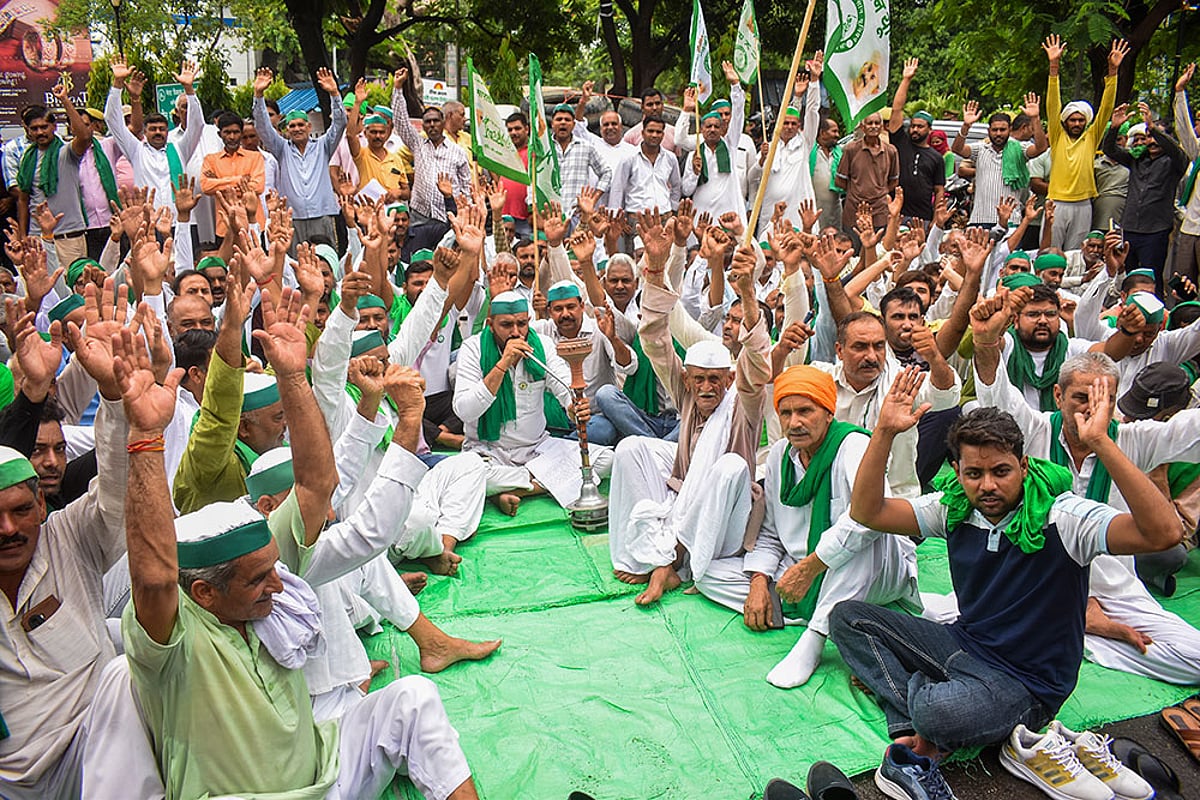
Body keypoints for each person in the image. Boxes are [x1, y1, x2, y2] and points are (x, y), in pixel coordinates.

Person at [114, 325, 482, 800]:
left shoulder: (259, 563)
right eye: (260, 579)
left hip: (325, 769)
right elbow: (153, 579)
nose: (281, 583)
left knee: (413, 699)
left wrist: (293, 377)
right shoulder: (176, 642)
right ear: (204, 593)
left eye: (276, 567)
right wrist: (145, 438)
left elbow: (319, 485)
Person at [837, 373, 1181, 800]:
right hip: (966, 643)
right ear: (957, 472)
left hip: (1027, 682)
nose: (988, 486)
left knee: (935, 712)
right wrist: (885, 432)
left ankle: (925, 713)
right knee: (848, 617)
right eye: (974, 473)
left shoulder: (1064, 516)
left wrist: (1102, 443)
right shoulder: (956, 508)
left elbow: (1164, 534)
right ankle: (922, 708)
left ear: (1023, 465)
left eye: (1001, 471)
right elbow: (868, 511)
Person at [0, 300, 164, 800]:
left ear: (43, 508)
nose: (7, 528)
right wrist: (30, 392)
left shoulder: (69, 536)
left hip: (92, 755)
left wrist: (113, 395)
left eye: (20, 511)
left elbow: (114, 487)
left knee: (121, 675)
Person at [694, 366, 919, 689]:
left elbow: (870, 521)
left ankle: (815, 635)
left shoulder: (852, 446)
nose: (794, 422)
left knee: (863, 536)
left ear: (828, 413)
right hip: (808, 570)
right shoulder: (778, 457)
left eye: (805, 411)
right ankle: (806, 606)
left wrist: (809, 569)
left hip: (874, 571)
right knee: (707, 575)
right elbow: (771, 532)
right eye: (785, 413)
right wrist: (759, 582)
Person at [608, 236, 771, 605]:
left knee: (729, 466)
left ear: (729, 380)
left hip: (727, 522)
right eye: (699, 379)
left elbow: (758, 363)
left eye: (716, 379)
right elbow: (654, 341)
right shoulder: (688, 396)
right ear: (688, 379)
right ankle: (644, 554)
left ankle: (676, 562)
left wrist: (746, 294)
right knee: (630, 447)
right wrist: (653, 270)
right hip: (682, 499)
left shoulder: (742, 403)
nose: (707, 387)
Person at [1043, 35, 1127, 250]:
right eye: (1073, 119)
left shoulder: (1091, 137)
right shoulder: (1057, 135)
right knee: (1050, 252)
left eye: (1081, 120)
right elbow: (1053, 105)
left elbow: (1105, 109)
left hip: (1083, 204)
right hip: (1057, 203)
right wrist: (1054, 67)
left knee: (1075, 254)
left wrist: (1113, 72)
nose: (1077, 123)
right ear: (1065, 121)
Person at [252, 66, 346, 250]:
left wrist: (335, 94)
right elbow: (262, 127)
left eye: (301, 125)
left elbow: (340, 123)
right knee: (297, 264)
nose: (297, 129)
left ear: (309, 127)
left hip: (322, 214)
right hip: (293, 217)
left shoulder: (323, 146)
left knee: (325, 259)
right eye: (292, 126)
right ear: (287, 129)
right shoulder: (281, 149)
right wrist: (258, 94)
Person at [1102, 101, 1188, 296]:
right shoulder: (1137, 159)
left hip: (1155, 231)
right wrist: (1114, 127)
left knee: (1151, 277)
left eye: (1156, 136)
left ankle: (1154, 318)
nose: (1151, 141)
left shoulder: (1175, 163)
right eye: (1148, 136)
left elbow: (1178, 152)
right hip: (1130, 227)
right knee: (1128, 276)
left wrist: (1153, 128)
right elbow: (1110, 150)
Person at [105, 57, 204, 210]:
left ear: (167, 130)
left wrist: (189, 89)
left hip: (178, 221)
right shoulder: (136, 150)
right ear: (145, 132)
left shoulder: (179, 150)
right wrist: (118, 84)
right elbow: (113, 121)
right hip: (149, 223)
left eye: (161, 129)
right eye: (153, 129)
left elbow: (197, 124)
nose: (158, 132)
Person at [391, 68, 471, 257]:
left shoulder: (457, 152)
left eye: (436, 120)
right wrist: (398, 88)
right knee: (418, 262)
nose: (432, 125)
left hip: (449, 217)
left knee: (447, 262)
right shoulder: (418, 144)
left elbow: (466, 185)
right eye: (428, 122)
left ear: (443, 122)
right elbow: (401, 121)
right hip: (421, 218)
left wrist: (464, 213)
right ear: (424, 125)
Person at [15, 84, 93, 268]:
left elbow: (84, 137)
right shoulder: (27, 158)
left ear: (54, 127)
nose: (40, 132)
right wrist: (23, 235)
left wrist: (65, 100)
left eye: (44, 127)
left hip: (68, 238)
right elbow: (23, 199)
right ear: (27, 130)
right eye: (34, 128)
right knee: (44, 293)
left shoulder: (66, 152)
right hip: (38, 238)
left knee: (75, 291)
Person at [747, 53, 824, 236]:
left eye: (793, 124)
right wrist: (762, 159)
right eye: (785, 123)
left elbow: (812, 111)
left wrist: (813, 81)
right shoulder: (770, 146)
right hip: (771, 213)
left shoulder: (804, 143)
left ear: (799, 126)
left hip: (798, 212)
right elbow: (752, 177)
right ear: (779, 125)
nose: (789, 127)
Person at [953, 95, 1048, 228]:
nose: (998, 133)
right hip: (980, 218)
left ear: (1009, 130)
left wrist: (1035, 119)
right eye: (995, 130)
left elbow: (1041, 148)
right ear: (989, 131)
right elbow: (957, 149)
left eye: (1002, 130)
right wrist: (966, 126)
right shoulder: (980, 149)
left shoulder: (1019, 148)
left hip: (1011, 220)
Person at [681, 61, 748, 224]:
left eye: (716, 126)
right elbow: (686, 189)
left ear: (722, 128)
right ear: (702, 129)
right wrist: (694, 173)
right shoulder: (695, 152)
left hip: (727, 214)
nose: (712, 130)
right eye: (708, 126)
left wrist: (735, 85)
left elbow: (738, 114)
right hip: (702, 215)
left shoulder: (730, 144)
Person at [885, 59, 945, 223]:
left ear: (929, 130)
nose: (915, 130)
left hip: (922, 219)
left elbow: (939, 190)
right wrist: (906, 80)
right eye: (912, 126)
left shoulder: (936, 158)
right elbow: (897, 110)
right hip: (896, 215)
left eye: (920, 126)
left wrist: (936, 219)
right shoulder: (901, 142)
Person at [200, 112, 266, 239]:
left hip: (253, 225)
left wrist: (219, 182)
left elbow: (258, 187)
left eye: (236, 132)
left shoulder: (255, 157)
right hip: (225, 227)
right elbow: (206, 187)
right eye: (227, 132)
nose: (232, 137)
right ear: (220, 134)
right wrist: (240, 180)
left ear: (241, 134)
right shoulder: (210, 160)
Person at [607, 116, 680, 221]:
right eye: (650, 131)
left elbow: (676, 186)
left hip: (664, 218)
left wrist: (672, 209)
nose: (654, 135)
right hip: (637, 219)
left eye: (658, 132)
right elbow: (618, 188)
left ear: (663, 135)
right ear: (642, 133)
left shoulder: (670, 158)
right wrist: (616, 218)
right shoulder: (629, 158)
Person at [547, 102, 612, 220]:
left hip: (577, 215)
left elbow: (606, 172)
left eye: (567, 120)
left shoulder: (585, 147)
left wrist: (593, 198)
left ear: (573, 124)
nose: (563, 122)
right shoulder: (544, 149)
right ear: (552, 124)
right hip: (551, 216)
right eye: (559, 119)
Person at [836, 112, 898, 233]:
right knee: (853, 249)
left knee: (878, 249)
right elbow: (840, 180)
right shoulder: (851, 149)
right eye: (869, 123)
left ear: (882, 127)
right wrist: (857, 193)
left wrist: (879, 193)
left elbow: (894, 181)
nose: (873, 126)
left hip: (879, 211)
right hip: (854, 209)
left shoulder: (891, 151)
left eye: (877, 123)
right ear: (863, 127)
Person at [1172, 62, 1200, 287]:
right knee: (1182, 286)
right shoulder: (1198, 152)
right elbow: (1185, 132)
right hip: (1190, 228)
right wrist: (1180, 92)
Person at [622, 87, 678, 154]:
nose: (654, 108)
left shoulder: (674, 133)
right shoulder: (630, 136)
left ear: (662, 105)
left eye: (657, 103)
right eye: (650, 104)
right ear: (642, 107)